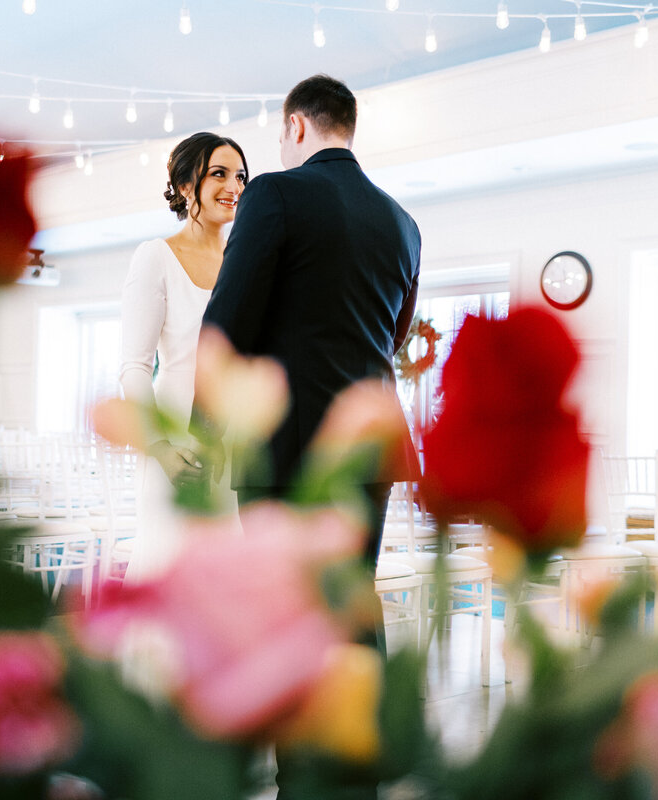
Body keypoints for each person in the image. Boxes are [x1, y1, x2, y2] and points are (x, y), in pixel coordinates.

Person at [198, 75, 421, 798]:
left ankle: (304, 785)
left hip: (287, 445)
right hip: (370, 446)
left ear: (296, 126)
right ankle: (355, 775)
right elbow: (389, 338)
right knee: (350, 610)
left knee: (287, 623)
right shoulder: (402, 222)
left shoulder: (277, 194)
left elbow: (227, 321)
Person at [118, 132, 249, 583]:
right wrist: (161, 450)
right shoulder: (156, 256)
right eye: (219, 174)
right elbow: (133, 367)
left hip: (231, 448)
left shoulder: (244, 263)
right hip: (174, 443)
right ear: (186, 184)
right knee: (170, 572)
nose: (233, 186)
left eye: (240, 176)